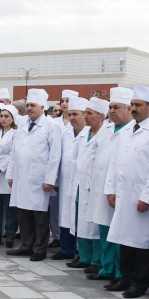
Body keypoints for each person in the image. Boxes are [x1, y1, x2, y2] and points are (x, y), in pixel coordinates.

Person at [104, 85, 149, 298]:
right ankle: (125, 276)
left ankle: (140, 282)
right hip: (124, 193)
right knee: (124, 238)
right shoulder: (126, 131)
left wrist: (147, 197)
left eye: (137, 105)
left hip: (142, 197)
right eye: (132, 104)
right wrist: (111, 190)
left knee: (142, 241)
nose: (133, 108)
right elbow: (115, 162)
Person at [7, 89, 62, 261]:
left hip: (39, 179)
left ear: (43, 107)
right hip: (22, 177)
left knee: (39, 216)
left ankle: (39, 248)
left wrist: (50, 179)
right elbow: (14, 152)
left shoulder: (51, 126)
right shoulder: (23, 125)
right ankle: (25, 245)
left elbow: (55, 155)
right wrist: (10, 174)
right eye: (28, 105)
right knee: (23, 214)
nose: (29, 108)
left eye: (33, 105)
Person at [86, 87, 133, 284]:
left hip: (120, 190)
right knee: (104, 229)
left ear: (129, 109)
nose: (112, 111)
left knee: (119, 232)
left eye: (117, 107)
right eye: (111, 107)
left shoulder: (132, 130)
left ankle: (120, 272)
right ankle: (107, 268)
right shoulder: (105, 129)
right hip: (100, 187)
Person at [67, 98, 108, 269]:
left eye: (89, 113)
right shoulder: (84, 133)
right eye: (85, 113)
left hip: (94, 186)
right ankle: (84, 257)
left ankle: (96, 260)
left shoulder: (106, 134)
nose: (86, 116)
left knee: (94, 225)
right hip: (80, 184)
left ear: (101, 116)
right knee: (80, 221)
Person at [54, 96, 89, 260]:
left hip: (83, 183)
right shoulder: (65, 133)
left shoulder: (90, 134)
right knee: (65, 214)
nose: (72, 118)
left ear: (85, 115)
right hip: (65, 180)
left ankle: (82, 253)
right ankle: (66, 248)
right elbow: (57, 156)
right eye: (70, 114)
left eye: (76, 114)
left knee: (80, 216)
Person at [0, 104, 18, 247]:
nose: (3, 118)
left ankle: (10, 235)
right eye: (2, 116)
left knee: (9, 208)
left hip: (7, 174)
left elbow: (13, 153)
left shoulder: (16, 134)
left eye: (7, 116)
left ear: (13, 119)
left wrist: (1, 168)